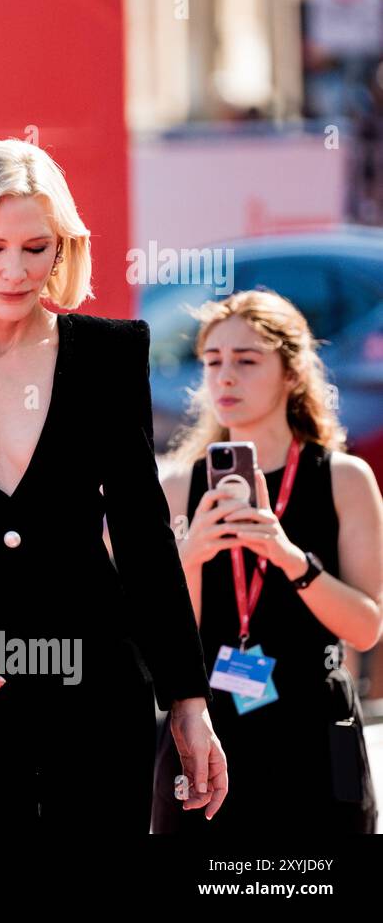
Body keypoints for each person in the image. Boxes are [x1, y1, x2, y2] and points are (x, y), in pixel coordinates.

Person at [0, 139, 229, 833]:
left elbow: (145, 535)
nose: (14, 270)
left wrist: (187, 696)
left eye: (37, 248)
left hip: (99, 694)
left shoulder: (109, 354)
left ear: (62, 251)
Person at [151, 290, 381, 833]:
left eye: (247, 360)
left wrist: (286, 555)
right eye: (212, 361)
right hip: (206, 729)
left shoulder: (343, 479)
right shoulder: (177, 486)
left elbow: (367, 627)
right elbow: (154, 640)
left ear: (292, 373)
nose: (225, 377)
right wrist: (191, 555)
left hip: (317, 731)